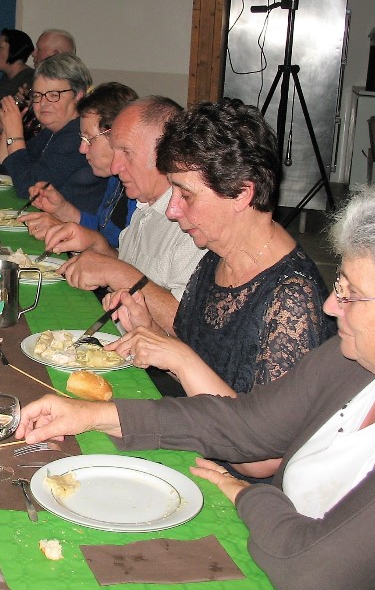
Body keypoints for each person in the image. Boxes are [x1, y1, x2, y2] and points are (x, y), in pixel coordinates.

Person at [18, 176, 375, 590]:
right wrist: (90, 415)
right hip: (272, 558)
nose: (329, 304)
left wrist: (252, 497)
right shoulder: (361, 359)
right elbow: (245, 425)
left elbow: (313, 573)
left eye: (351, 294)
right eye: (339, 282)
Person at [109, 101, 336, 476]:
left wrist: (180, 358)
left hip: (236, 485)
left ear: (241, 194)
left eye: (186, 195)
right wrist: (148, 330)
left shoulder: (292, 298)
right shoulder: (216, 256)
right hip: (193, 438)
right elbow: (199, 362)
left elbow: (265, 457)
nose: (172, 210)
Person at [43, 96, 205, 322]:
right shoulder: (144, 205)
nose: (115, 166)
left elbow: (190, 324)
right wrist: (100, 248)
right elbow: (138, 268)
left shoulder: (192, 222)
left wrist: (115, 272)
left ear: (165, 153)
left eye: (126, 152)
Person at [21, 81, 138, 249]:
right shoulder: (115, 179)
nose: (82, 149)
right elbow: (102, 228)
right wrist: (61, 209)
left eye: (89, 139)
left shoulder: (139, 191)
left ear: (117, 136)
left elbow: (123, 252)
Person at [0, 53, 106, 214]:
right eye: (38, 96)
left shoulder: (77, 136)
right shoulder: (53, 131)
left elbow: (27, 189)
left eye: (54, 95)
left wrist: (14, 134)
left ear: (79, 95)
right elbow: (7, 169)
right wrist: (8, 125)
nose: (43, 104)